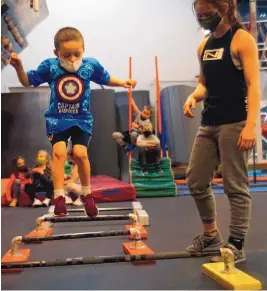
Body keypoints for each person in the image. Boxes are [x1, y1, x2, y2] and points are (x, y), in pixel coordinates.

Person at [10, 27, 136, 217]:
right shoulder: (51, 66)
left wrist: (123, 82)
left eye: (76, 54)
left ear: (83, 50)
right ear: (56, 53)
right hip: (57, 119)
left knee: (80, 154)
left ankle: (87, 194)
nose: (72, 59)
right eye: (66, 55)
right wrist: (18, 67)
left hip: (81, 118)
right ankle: (59, 196)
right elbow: (28, 81)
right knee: (59, 153)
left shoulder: (89, 65)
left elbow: (106, 78)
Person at [183, 0, 260, 263]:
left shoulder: (242, 40)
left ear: (225, 7)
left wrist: (251, 125)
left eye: (208, 14)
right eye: (200, 15)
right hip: (209, 122)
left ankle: (236, 244)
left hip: (235, 121)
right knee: (195, 180)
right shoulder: (203, 46)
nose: (203, 19)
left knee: (234, 185)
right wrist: (194, 96)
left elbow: (253, 85)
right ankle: (211, 235)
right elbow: (204, 84)